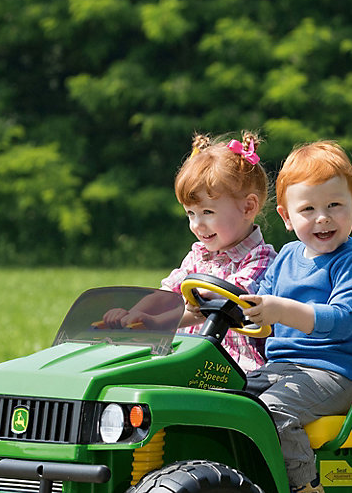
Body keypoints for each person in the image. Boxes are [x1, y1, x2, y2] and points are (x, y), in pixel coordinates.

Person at [242, 140, 352, 493]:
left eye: (334, 205)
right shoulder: (287, 257)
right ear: (287, 216)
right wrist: (245, 314)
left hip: (336, 373)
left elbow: (343, 320)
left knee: (272, 410)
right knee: (228, 402)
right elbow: (263, 315)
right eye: (308, 209)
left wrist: (281, 311)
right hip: (285, 368)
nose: (322, 218)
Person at [103, 132, 276, 373]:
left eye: (207, 212)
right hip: (189, 355)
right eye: (190, 214)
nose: (196, 225)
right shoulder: (199, 254)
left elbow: (219, 305)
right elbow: (167, 294)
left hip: (235, 366)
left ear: (248, 207)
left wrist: (158, 323)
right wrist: (133, 315)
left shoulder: (262, 259)